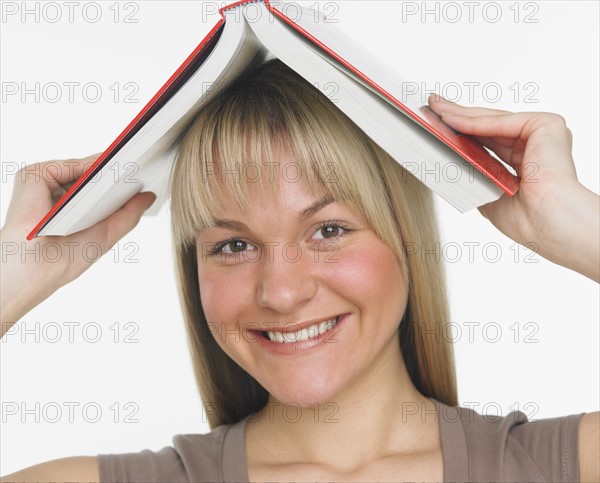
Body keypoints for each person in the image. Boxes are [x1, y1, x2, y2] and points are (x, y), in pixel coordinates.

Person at [1, 58, 598, 483]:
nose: (282, 292)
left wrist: (570, 222)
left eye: (328, 231)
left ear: (405, 240)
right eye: (233, 245)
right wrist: (16, 270)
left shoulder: (559, 467)